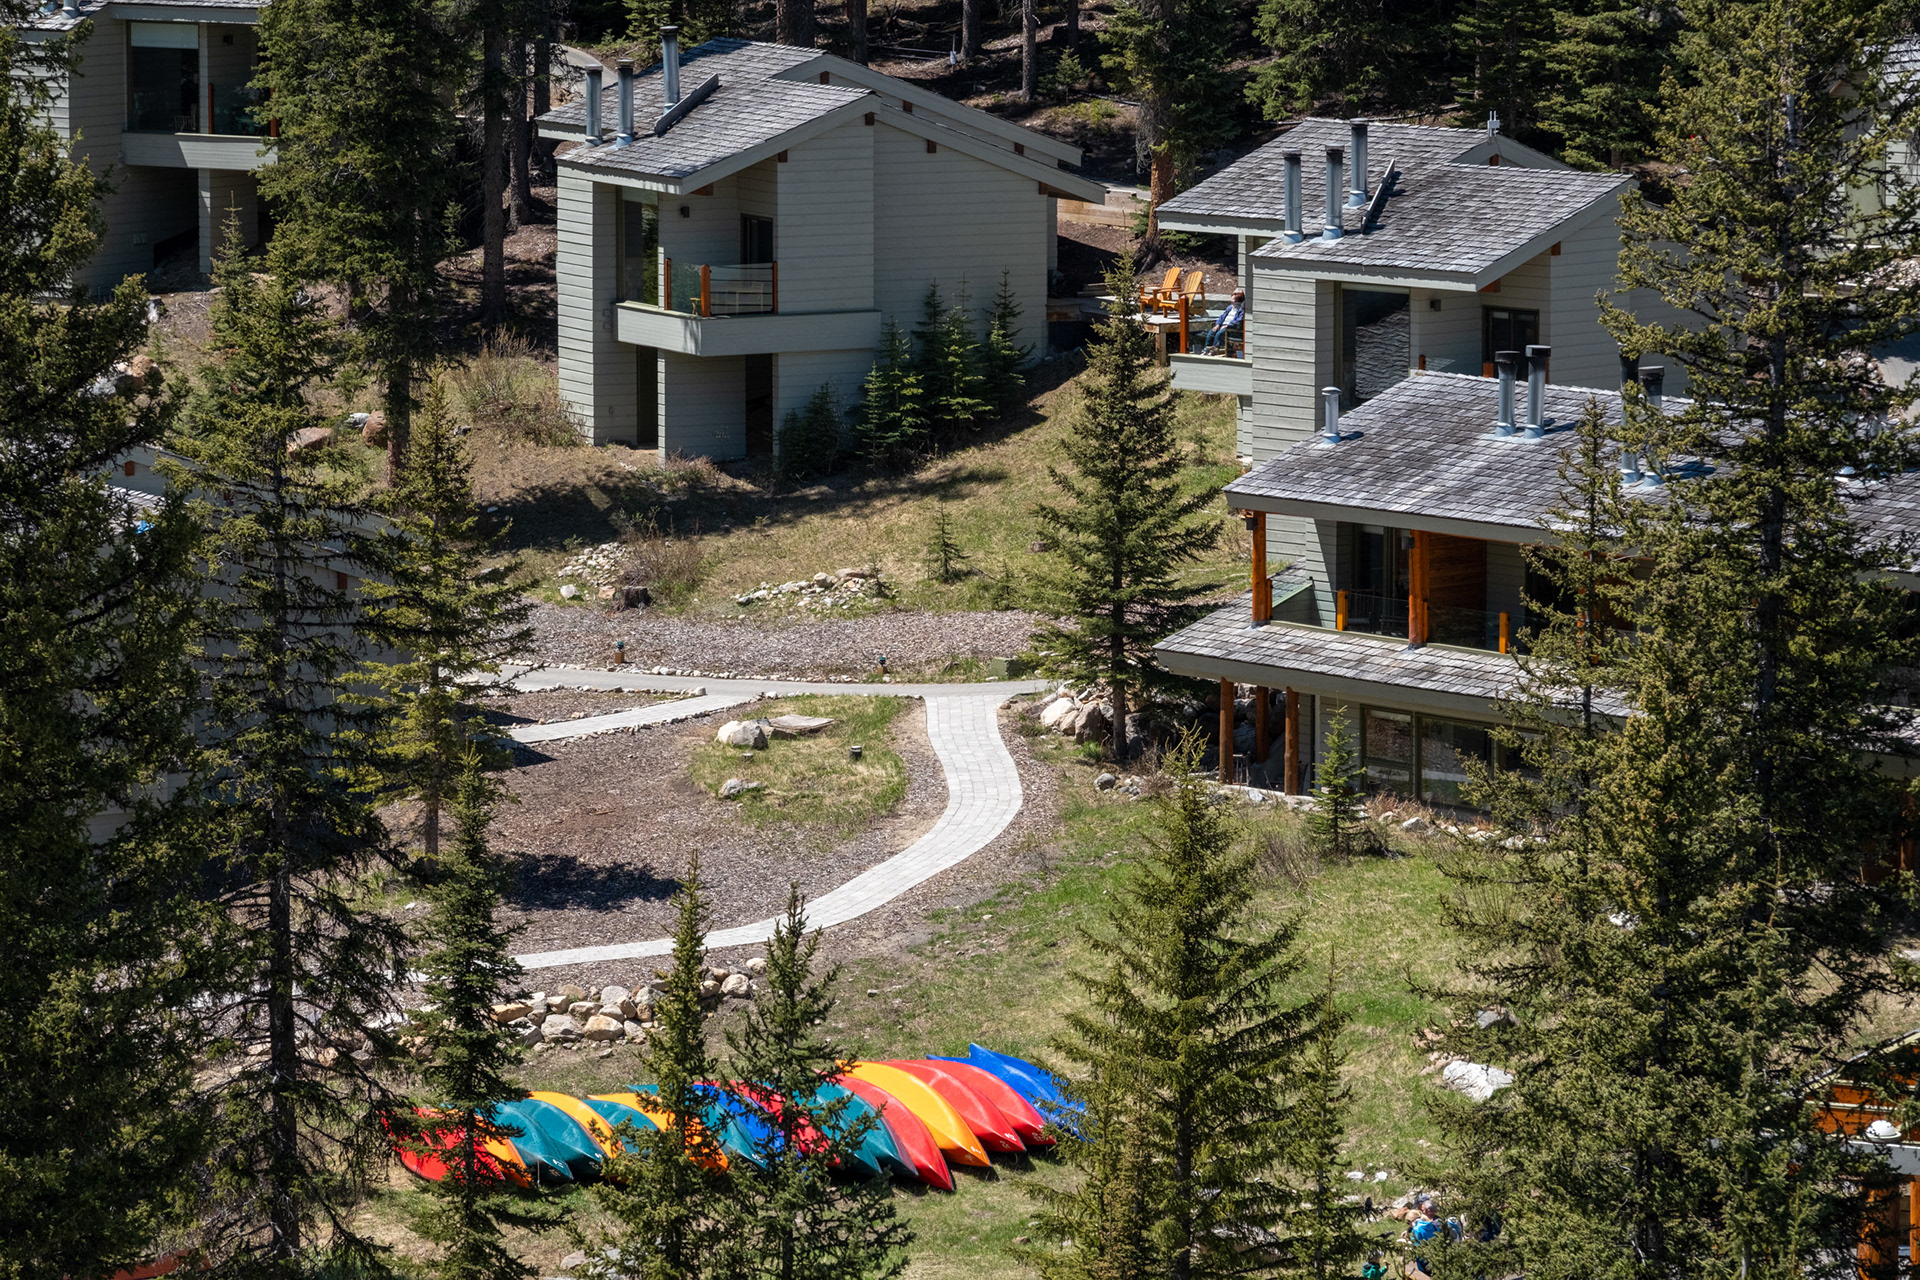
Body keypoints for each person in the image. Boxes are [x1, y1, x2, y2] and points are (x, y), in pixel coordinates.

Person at [1200, 288, 1245, 354]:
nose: (1231, 300)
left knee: (1219, 333)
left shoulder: (1241, 310)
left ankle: (1215, 348)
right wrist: (1218, 324)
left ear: (1236, 301)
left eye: (1232, 299)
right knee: (1212, 332)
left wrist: (1227, 326)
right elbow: (1222, 316)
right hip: (1222, 326)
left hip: (1231, 328)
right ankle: (1206, 349)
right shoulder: (1229, 308)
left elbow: (1238, 321)